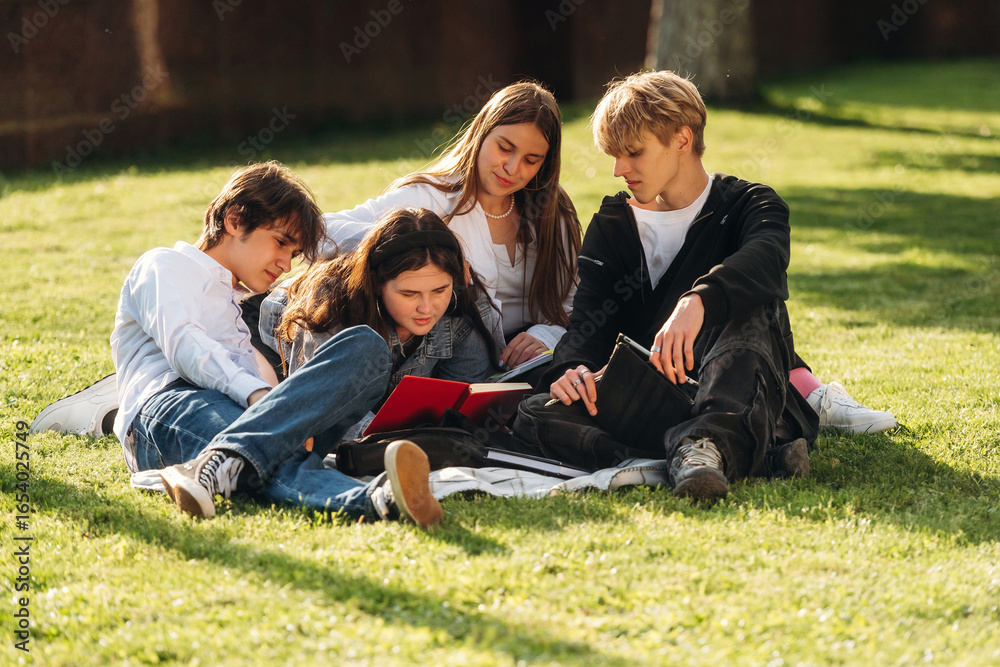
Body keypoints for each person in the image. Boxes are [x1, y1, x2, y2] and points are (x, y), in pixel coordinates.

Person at [514, 71, 873, 500]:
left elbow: (767, 261)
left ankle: (705, 444)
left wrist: (699, 302)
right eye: (615, 155)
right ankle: (734, 453)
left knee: (752, 304)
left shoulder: (750, 204)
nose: (618, 169)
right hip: (650, 397)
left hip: (737, 386)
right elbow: (588, 325)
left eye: (633, 152)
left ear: (681, 140)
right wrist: (568, 370)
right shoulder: (612, 226)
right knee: (535, 413)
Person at [113, 162, 465, 526]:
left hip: (253, 416)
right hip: (170, 407)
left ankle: (225, 462)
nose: (285, 264)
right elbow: (185, 346)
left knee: (366, 346)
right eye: (281, 242)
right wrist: (258, 398)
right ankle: (375, 499)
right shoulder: (164, 265)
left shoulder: (235, 302)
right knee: (273, 453)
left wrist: (280, 409)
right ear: (234, 220)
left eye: (294, 253)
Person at [321, 81, 582, 371]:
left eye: (531, 160)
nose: (513, 168)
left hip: (529, 366)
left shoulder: (552, 213)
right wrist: (426, 243)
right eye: (504, 148)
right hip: (447, 362)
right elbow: (322, 229)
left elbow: (574, 304)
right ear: (482, 134)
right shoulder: (431, 197)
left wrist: (545, 335)